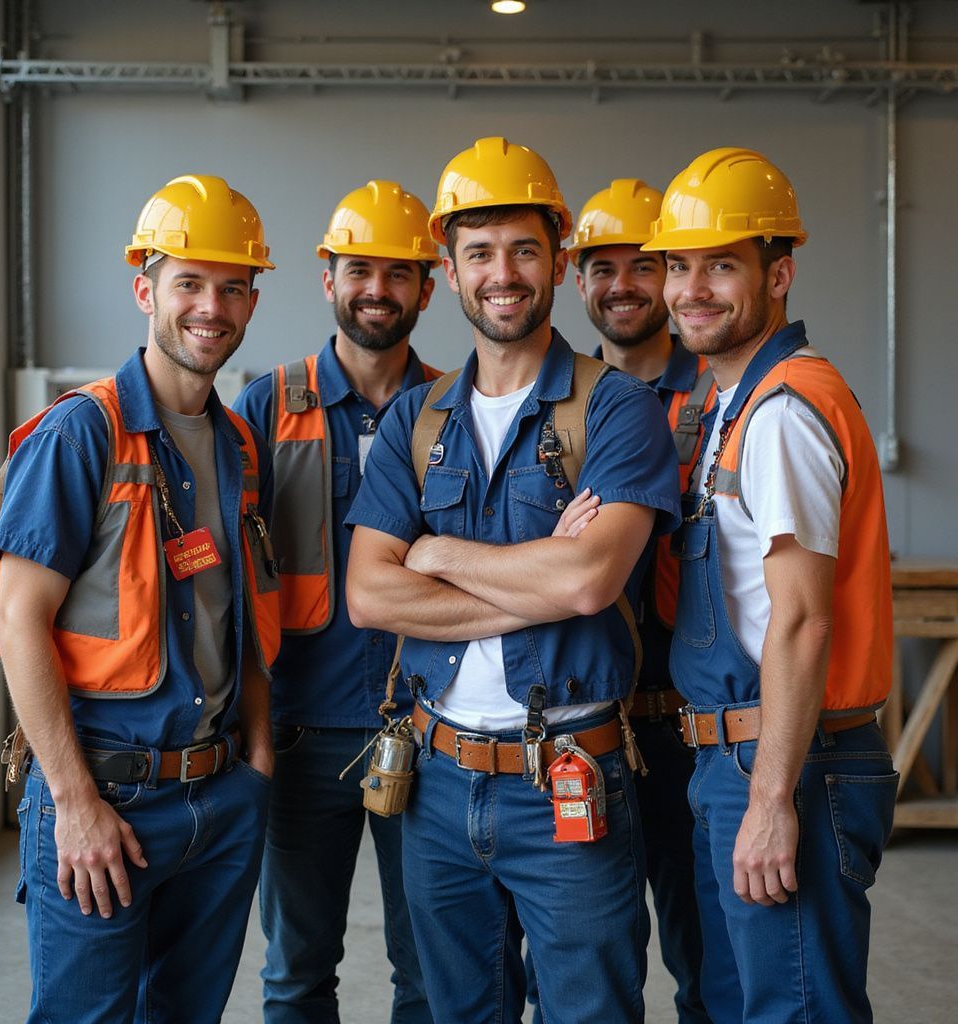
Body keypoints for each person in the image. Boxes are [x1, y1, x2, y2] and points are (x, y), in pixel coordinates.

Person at [344, 137, 681, 1024]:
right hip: (438, 777)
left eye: (525, 249)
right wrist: (534, 576)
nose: (504, 272)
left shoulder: (616, 409)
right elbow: (369, 596)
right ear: (448, 272)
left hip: (570, 775)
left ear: (557, 261)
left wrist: (438, 553)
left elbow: (586, 583)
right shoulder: (418, 419)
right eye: (480, 252)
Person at [0, 174, 281, 1024]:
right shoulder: (81, 433)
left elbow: (238, 610)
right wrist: (72, 805)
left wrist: (255, 760)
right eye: (189, 283)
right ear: (146, 289)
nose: (210, 306)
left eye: (232, 287)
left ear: (252, 300)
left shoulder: (238, 442)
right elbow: (16, 619)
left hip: (216, 798)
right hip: (105, 799)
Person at [641, 147, 898, 1023]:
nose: (692, 289)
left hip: (789, 760)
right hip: (744, 755)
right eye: (679, 265)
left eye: (721, 265)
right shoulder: (728, 408)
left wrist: (770, 800)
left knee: (794, 1010)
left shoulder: (784, 410)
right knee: (743, 1001)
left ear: (778, 273)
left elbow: (800, 622)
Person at [233, 180, 437, 1024]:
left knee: (432, 972)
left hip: (428, 735)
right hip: (299, 736)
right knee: (296, 972)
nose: (377, 290)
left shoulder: (456, 409)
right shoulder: (266, 405)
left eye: (399, 273)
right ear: (328, 278)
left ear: (429, 287)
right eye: (359, 269)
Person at [567, 179, 715, 1024]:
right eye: (601, 266)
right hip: (591, 726)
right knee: (588, 968)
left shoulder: (723, 394)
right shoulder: (562, 404)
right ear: (577, 279)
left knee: (708, 967)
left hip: (695, 730)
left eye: (643, 265)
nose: (621, 284)